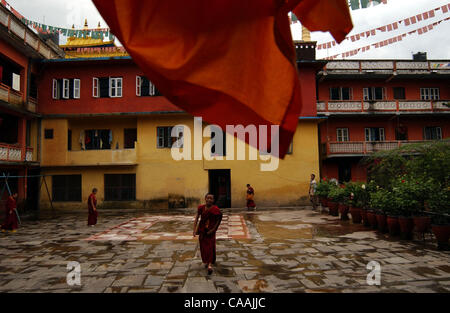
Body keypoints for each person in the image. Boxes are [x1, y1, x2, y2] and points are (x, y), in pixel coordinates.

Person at [193, 193, 222, 275]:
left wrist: (214, 229)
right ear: (205, 199)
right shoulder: (201, 208)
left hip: (211, 231)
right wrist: (194, 229)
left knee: (210, 246)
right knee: (203, 247)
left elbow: (219, 219)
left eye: (211, 198)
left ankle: (210, 264)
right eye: (207, 198)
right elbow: (197, 218)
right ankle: (206, 261)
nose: (209, 200)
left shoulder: (215, 209)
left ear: (213, 200)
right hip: (202, 230)